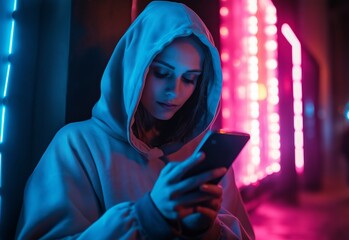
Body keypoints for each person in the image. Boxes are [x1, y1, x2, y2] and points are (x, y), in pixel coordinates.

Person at [16, 1, 255, 239]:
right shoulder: (77, 146)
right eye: (162, 73)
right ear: (134, 68)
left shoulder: (202, 156)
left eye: (190, 79)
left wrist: (206, 230)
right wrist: (147, 218)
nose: (175, 91)